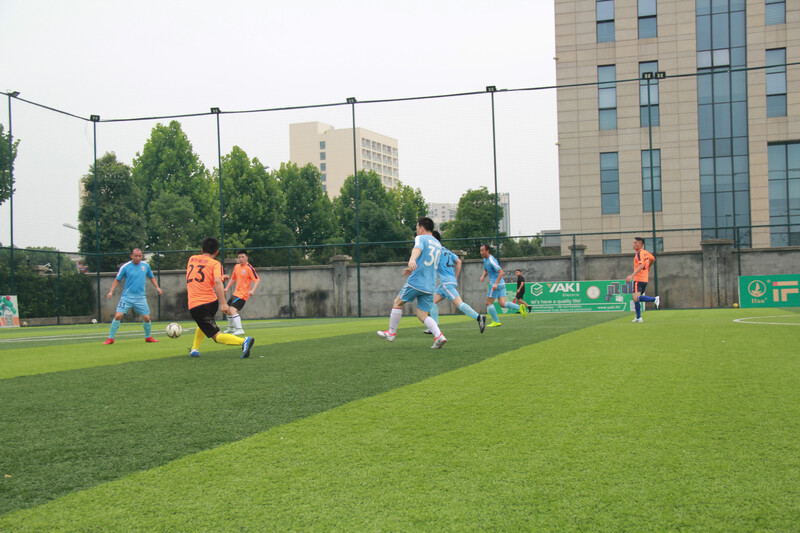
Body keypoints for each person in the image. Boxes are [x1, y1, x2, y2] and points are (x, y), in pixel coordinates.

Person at [377, 217, 448, 349]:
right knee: (422, 314)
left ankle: (391, 333)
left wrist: (412, 260)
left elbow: (417, 249)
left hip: (416, 281)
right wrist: (412, 267)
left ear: (421, 228)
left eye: (417, 228)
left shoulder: (421, 238)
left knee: (397, 302)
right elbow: (428, 262)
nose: (416, 231)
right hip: (430, 285)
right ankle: (439, 336)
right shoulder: (438, 244)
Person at [186, 237, 255, 358]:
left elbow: (211, 278)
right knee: (203, 323)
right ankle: (194, 349)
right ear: (217, 252)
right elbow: (215, 278)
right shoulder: (215, 264)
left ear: (202, 249)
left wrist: (224, 303)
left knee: (216, 336)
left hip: (197, 304)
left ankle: (243, 341)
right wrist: (222, 278)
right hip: (211, 302)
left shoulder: (192, 259)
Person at [423, 231, 486, 334]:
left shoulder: (436, 251)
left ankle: (479, 317)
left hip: (446, 283)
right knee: (432, 301)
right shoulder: (447, 251)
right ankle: (434, 328)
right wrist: (455, 277)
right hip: (448, 282)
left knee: (458, 304)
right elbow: (459, 262)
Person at [103, 248, 162, 344]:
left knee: (147, 318)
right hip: (127, 297)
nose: (138, 258)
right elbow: (117, 279)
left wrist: (157, 288)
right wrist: (111, 292)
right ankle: (110, 338)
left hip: (141, 298)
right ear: (131, 256)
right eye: (136, 256)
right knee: (118, 316)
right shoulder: (125, 267)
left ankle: (148, 337)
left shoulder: (145, 266)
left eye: (140, 256)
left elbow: (151, 277)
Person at [479, 244, 528, 327]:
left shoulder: (491, 260)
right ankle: (519, 307)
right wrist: (483, 276)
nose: (481, 252)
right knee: (502, 303)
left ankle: (496, 321)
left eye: (482, 250)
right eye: (480, 250)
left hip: (496, 284)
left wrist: (495, 284)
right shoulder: (485, 260)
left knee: (488, 303)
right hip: (501, 284)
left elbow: (501, 272)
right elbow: (486, 270)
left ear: (487, 251)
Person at [222, 249, 260, 335]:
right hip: (236, 293)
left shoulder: (249, 268)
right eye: (239, 257)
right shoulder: (236, 267)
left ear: (247, 258)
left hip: (243, 294)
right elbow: (233, 278)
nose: (241, 259)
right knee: (227, 310)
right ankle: (231, 328)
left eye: (243, 257)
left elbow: (257, 280)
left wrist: (252, 290)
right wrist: (227, 288)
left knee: (233, 309)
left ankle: (240, 329)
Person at [625, 236, 660, 322]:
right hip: (645, 279)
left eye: (635, 243)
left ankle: (654, 299)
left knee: (635, 298)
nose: (633, 244)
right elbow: (653, 259)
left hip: (639, 278)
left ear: (640, 244)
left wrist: (631, 275)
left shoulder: (639, 253)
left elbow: (641, 264)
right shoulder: (646, 253)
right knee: (636, 298)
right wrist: (648, 267)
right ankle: (638, 317)